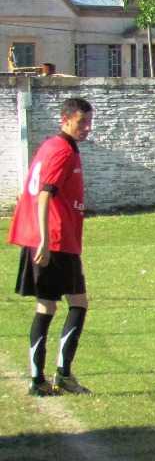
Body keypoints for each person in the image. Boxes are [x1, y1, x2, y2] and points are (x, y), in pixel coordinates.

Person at [7, 97, 94, 397]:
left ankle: (42, 378)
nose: (87, 127)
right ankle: (58, 375)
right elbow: (45, 194)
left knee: (53, 305)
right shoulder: (62, 151)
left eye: (89, 122)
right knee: (73, 303)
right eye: (81, 122)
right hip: (54, 240)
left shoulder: (51, 146)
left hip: (50, 238)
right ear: (65, 120)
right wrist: (45, 239)